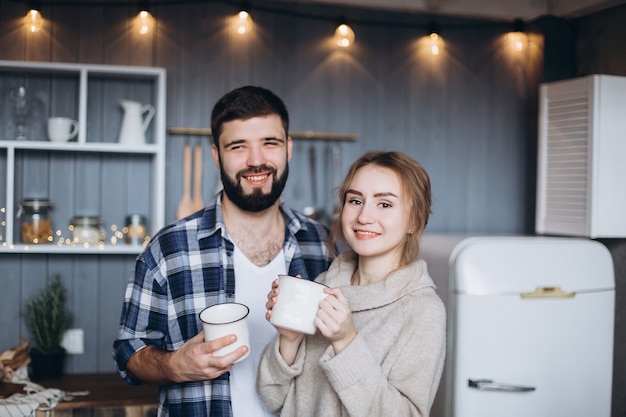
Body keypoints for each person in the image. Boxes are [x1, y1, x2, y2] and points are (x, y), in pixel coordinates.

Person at [113, 85, 334, 417]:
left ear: (288, 148)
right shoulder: (169, 248)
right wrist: (174, 365)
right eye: (238, 146)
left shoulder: (323, 245)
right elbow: (129, 352)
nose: (256, 160)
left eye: (269, 143)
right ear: (217, 154)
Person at [257, 151, 446, 417]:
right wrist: (289, 340)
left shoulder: (422, 311)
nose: (364, 216)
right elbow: (272, 397)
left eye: (385, 204)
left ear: (414, 220)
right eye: (355, 200)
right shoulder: (323, 285)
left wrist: (346, 341)